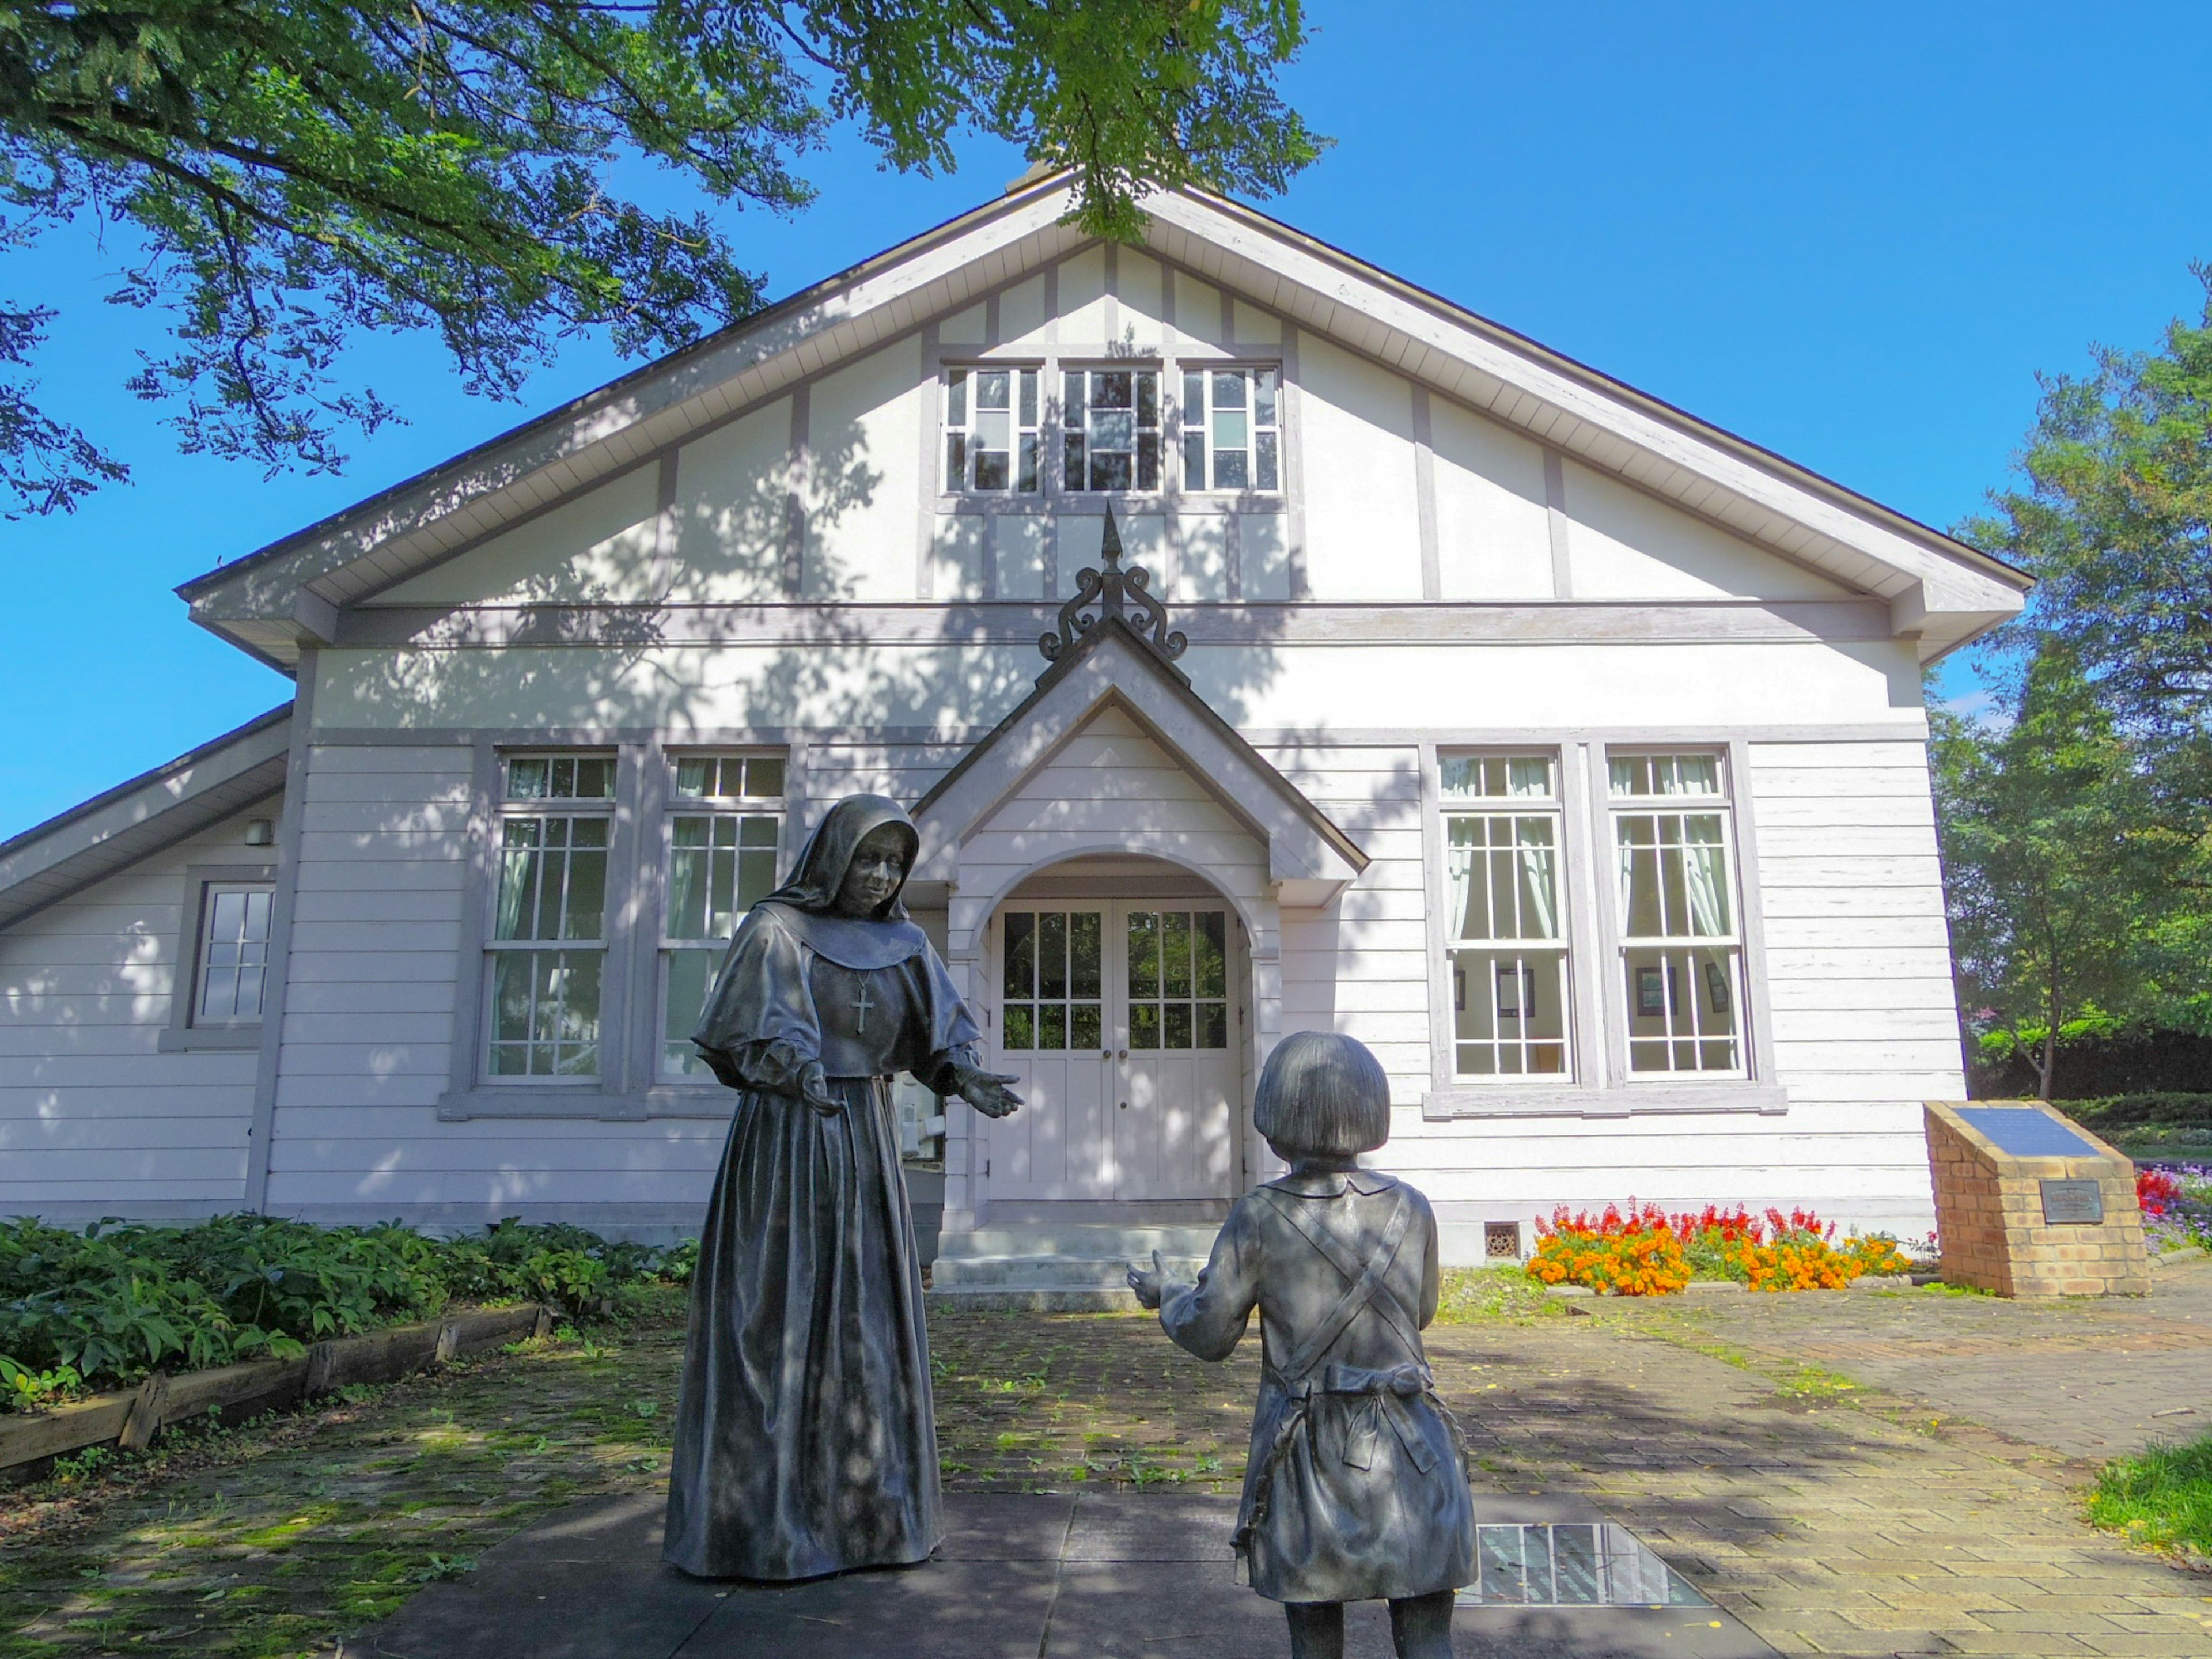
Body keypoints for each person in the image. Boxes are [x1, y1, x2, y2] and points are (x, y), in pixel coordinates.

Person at [664, 794, 1021, 1580]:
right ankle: (766, 1521)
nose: (881, 875)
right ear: (834, 858)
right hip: (788, 1143)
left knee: (864, 1318)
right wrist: (795, 1070)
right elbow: (756, 1031)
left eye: (895, 862)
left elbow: (936, 1036)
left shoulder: (904, 943)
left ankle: (869, 1517)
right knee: (776, 1315)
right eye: (868, 858)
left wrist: (964, 1077)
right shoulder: (774, 931)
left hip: (863, 1137)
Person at [1128, 1031, 1475, 1659]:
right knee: (1428, 1637)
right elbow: (1420, 1313)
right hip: (1414, 1455)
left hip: (1311, 1456)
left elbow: (1210, 1334)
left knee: (1314, 1638)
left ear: (1276, 1117)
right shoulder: (1412, 1208)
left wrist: (1168, 1294)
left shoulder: (1259, 1216)